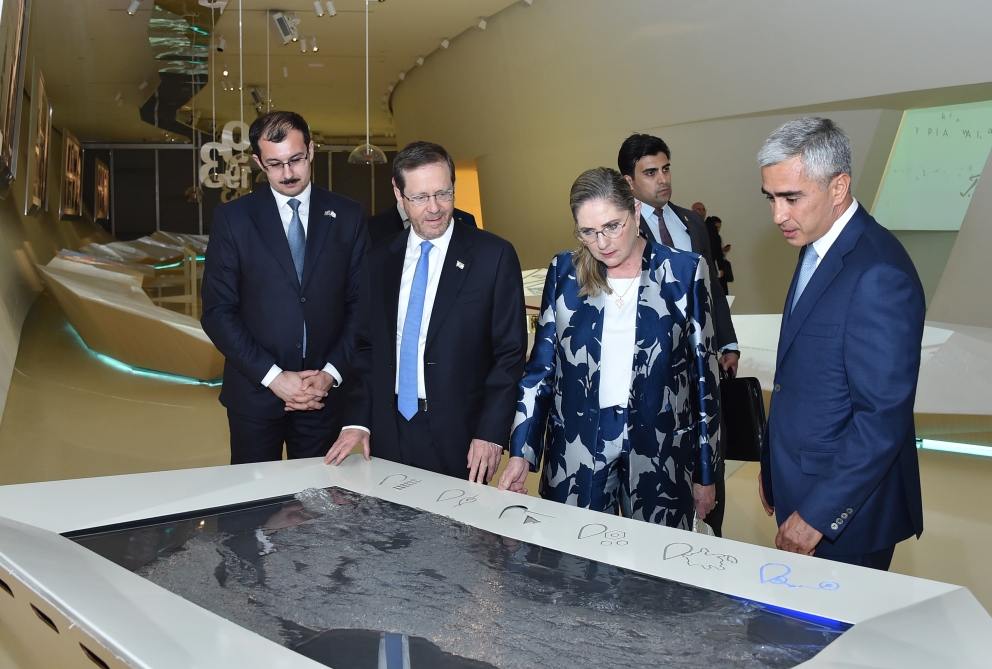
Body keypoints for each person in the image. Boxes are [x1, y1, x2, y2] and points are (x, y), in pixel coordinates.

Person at [498, 168, 720, 529]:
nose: (602, 243)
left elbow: (704, 380)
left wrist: (706, 472)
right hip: (577, 445)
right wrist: (521, 451)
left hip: (660, 449)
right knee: (571, 552)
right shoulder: (565, 272)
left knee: (654, 558)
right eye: (588, 232)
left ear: (635, 212)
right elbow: (540, 371)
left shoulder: (683, 272)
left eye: (613, 226)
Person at [757, 117, 925, 570]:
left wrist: (818, 513)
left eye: (791, 198)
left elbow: (882, 417)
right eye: (771, 197)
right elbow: (803, 374)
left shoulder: (879, 273)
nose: (778, 215)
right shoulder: (817, 243)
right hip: (800, 484)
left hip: (846, 516)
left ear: (838, 187)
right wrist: (773, 463)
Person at [324, 141, 527, 483]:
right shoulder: (378, 260)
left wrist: (491, 432)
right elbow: (366, 347)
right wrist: (358, 420)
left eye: (443, 194)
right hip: (388, 429)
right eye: (419, 197)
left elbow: (509, 355)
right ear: (398, 194)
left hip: (462, 435)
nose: (434, 208)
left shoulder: (494, 256)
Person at [201, 111, 369, 464]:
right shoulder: (233, 220)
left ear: (311, 150)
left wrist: (331, 374)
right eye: (275, 164)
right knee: (252, 494)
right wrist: (274, 377)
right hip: (255, 394)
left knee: (319, 494)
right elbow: (218, 312)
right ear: (257, 162)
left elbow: (361, 305)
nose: (288, 173)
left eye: (296, 159)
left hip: (323, 396)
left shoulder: (349, 216)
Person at [618, 133, 738, 536]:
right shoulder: (621, 230)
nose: (663, 179)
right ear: (629, 181)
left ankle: (711, 537)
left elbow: (713, 288)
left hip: (700, 366)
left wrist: (726, 341)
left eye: (666, 169)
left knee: (708, 456)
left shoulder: (692, 223)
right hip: (655, 372)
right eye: (650, 172)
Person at [367, 198, 477, 245]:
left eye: (442, 192)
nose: (434, 209)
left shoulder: (465, 220)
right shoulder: (372, 227)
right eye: (420, 196)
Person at [705, 215, 731, 295]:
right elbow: (717, 254)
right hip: (715, 268)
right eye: (717, 228)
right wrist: (720, 267)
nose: (718, 230)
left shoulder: (708, 236)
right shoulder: (715, 237)